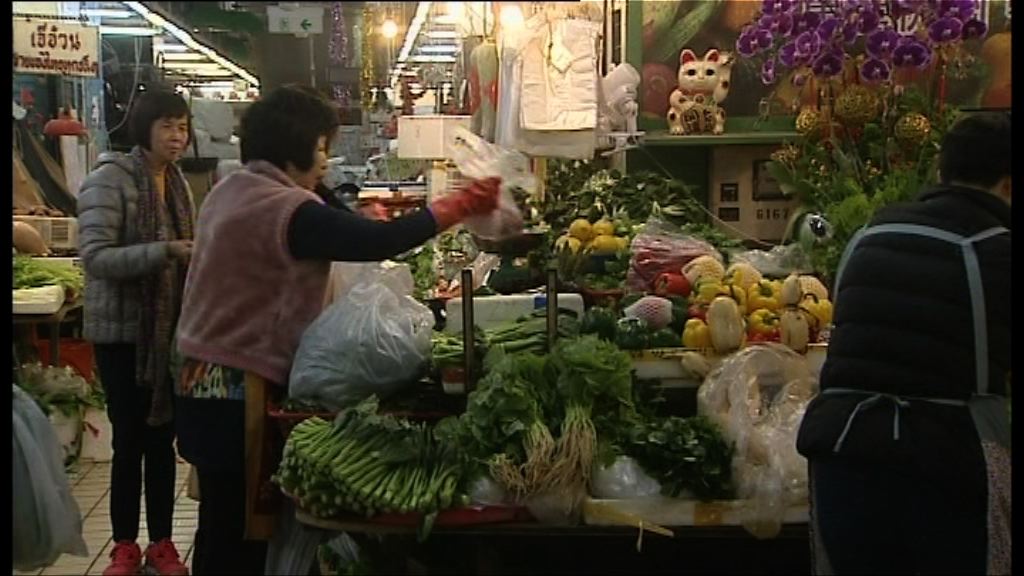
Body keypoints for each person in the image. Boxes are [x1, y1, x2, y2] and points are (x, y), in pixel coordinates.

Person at [173, 85, 505, 575]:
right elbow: (380, 242)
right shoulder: (283, 209)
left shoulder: (234, 189)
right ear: (299, 147)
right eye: (323, 147)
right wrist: (460, 206)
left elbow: (330, 212)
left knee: (222, 521)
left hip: (199, 384)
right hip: (238, 392)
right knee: (240, 532)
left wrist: (349, 214)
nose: (326, 160)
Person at [796, 112, 1011, 575]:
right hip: (940, 471)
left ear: (940, 170)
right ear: (1008, 185)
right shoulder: (997, 248)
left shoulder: (869, 234)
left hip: (844, 456)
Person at [77, 89, 195, 576]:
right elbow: (96, 257)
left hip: (166, 333)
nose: (177, 136)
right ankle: (124, 545)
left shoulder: (178, 183)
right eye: (167, 125)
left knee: (162, 441)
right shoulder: (109, 180)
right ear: (143, 128)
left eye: (184, 127)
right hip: (122, 334)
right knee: (128, 441)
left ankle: (163, 542)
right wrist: (165, 251)